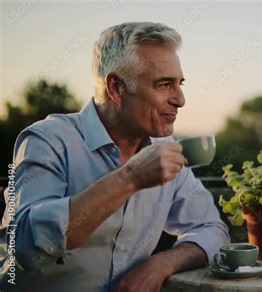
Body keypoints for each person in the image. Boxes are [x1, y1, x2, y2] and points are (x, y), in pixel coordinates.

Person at [0, 22, 230, 291]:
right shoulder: (46, 140)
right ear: (116, 88)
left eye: (179, 83)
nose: (180, 99)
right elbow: (25, 246)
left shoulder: (163, 148)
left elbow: (212, 229)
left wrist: (162, 264)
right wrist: (129, 178)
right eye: (164, 84)